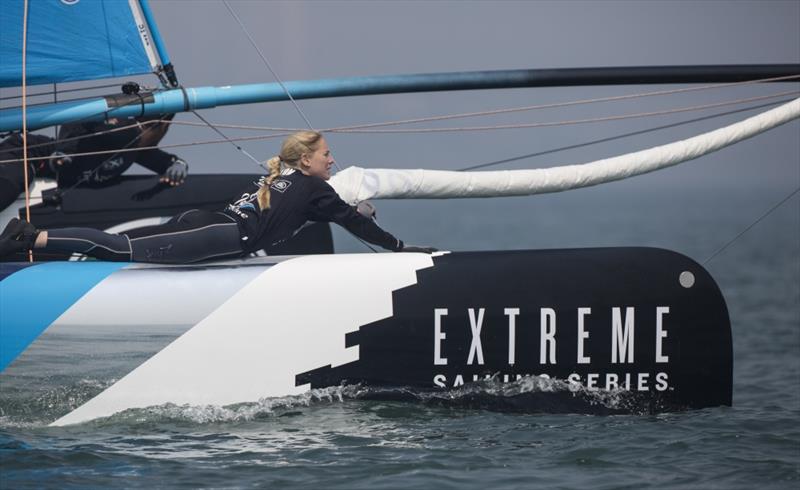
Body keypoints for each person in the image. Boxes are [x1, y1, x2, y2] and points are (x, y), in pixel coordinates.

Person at [0, 131, 435, 262]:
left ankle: (33, 239)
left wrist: (354, 209)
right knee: (121, 248)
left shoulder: (284, 176)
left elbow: (327, 211)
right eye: (325, 154)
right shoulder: (313, 188)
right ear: (306, 161)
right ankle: (32, 237)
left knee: (135, 252)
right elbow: (354, 221)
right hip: (219, 236)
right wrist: (399, 247)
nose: (332, 159)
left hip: (205, 221)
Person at [0, 114, 188, 211]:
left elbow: (166, 162)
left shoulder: (136, 151)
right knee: (13, 181)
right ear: (162, 125)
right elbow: (81, 118)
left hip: (43, 169)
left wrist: (179, 165)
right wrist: (66, 149)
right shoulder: (126, 132)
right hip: (26, 152)